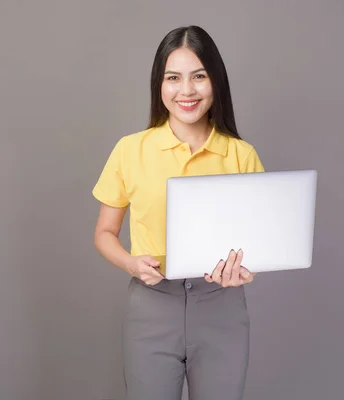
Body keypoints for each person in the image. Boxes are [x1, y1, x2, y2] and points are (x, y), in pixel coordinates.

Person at [92, 25, 264, 400]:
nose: (186, 91)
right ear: (160, 84)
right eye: (174, 78)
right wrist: (130, 263)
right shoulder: (130, 150)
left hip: (222, 308)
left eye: (198, 77)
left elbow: (257, 241)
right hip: (151, 307)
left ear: (215, 81)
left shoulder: (241, 155)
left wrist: (244, 269)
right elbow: (104, 232)